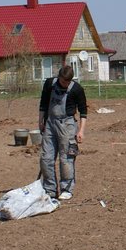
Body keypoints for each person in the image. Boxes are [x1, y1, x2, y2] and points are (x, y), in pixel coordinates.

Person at [38, 64, 88, 200]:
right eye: (63, 81)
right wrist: (41, 121)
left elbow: (83, 111)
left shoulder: (77, 89)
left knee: (66, 158)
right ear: (59, 76)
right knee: (46, 158)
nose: (65, 84)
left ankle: (66, 189)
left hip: (67, 125)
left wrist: (81, 131)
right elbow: (43, 103)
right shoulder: (50, 84)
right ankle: (50, 189)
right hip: (50, 123)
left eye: (67, 82)